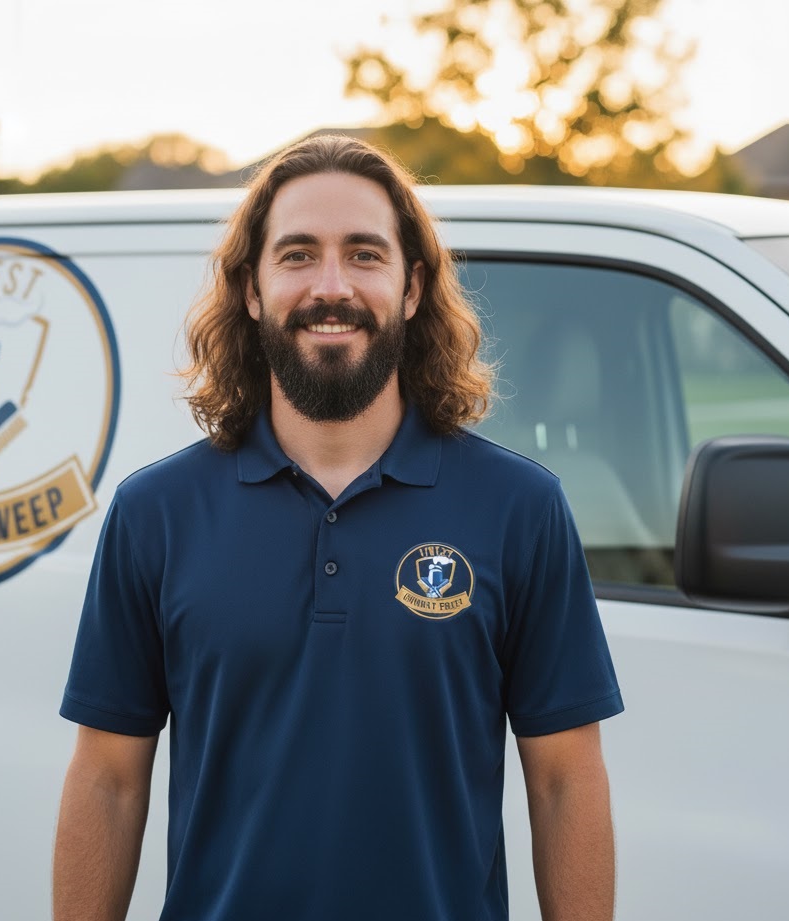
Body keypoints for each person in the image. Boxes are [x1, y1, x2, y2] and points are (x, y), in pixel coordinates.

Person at [53, 135, 623, 921]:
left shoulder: (519, 508)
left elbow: (565, 782)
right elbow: (108, 781)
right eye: (296, 255)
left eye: (363, 254)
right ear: (251, 287)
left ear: (412, 285)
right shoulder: (156, 513)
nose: (331, 287)